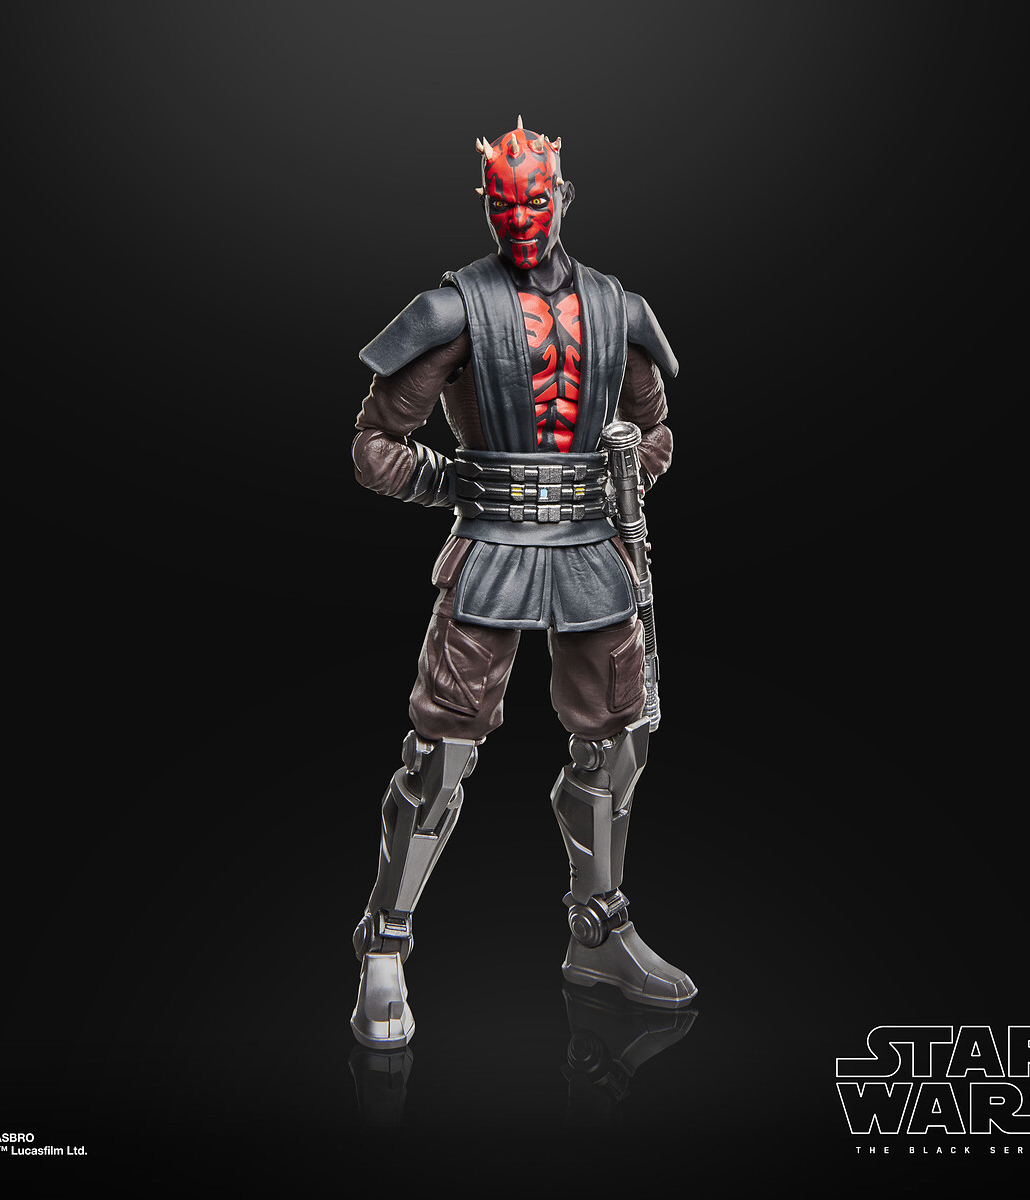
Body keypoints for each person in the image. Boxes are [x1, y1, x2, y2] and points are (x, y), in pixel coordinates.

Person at [349, 118, 695, 1048]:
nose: (521, 222)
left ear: (564, 197)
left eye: (536, 202)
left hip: (590, 551)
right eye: (503, 207)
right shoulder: (455, 307)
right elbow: (374, 447)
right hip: (493, 552)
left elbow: (658, 429)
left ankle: (599, 935)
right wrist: (454, 481)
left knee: (616, 741)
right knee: (441, 749)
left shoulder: (618, 308)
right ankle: (384, 948)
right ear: (486, 207)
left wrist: (626, 471)